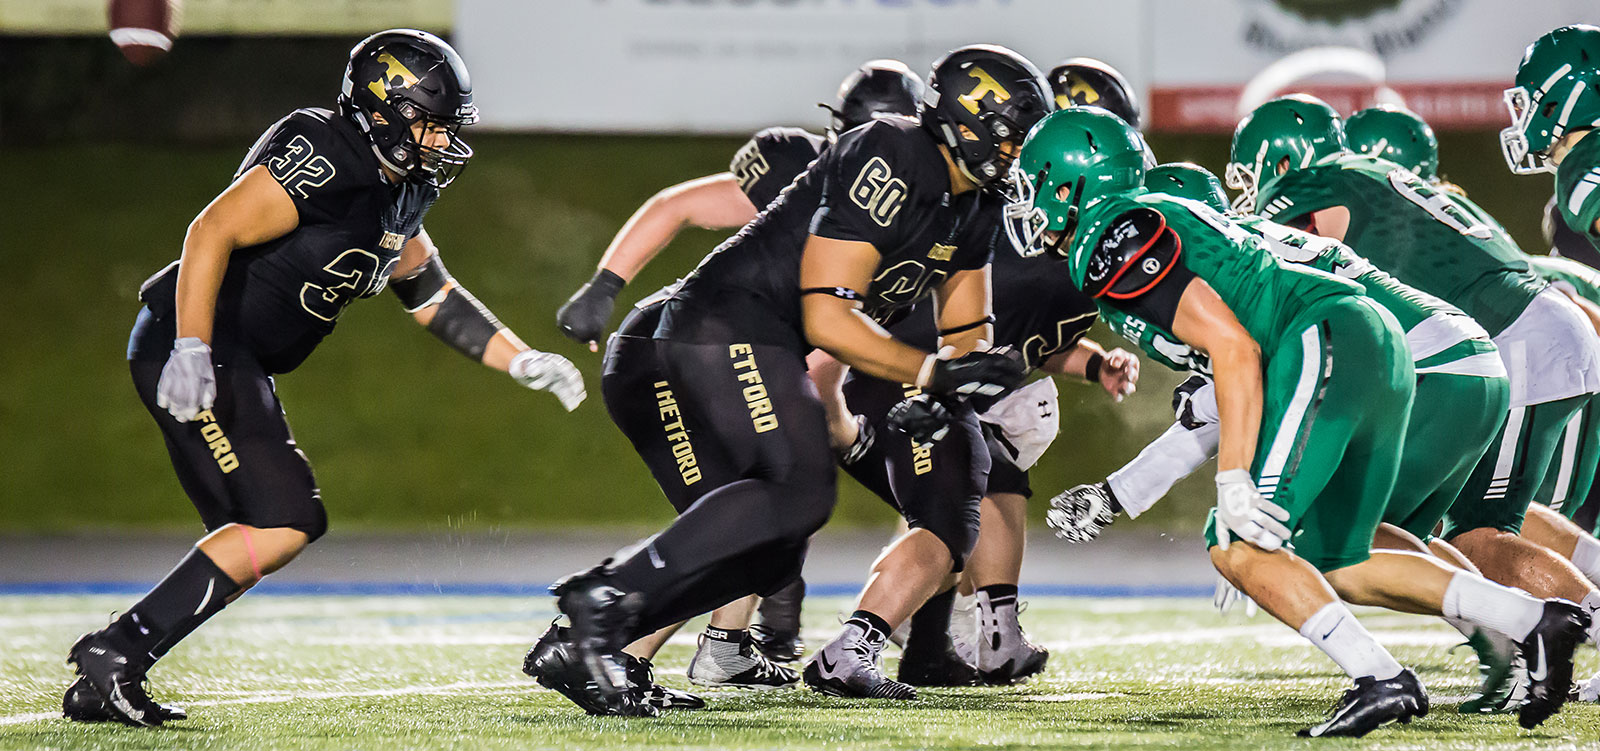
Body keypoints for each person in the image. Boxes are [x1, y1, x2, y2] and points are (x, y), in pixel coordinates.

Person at [1009, 107, 1588, 736]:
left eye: (1033, 184)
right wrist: (1126, 493)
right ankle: (1529, 625)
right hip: (1382, 343)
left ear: (1068, 184)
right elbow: (1233, 372)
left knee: (1240, 541)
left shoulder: (1110, 232)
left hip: (1337, 341)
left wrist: (1233, 484)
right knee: (1337, 551)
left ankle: (1394, 675)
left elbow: (1236, 352)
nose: (1028, 204)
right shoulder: (1177, 221)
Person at [63, 29, 585, 727]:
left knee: (257, 531)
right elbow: (211, 230)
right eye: (430, 125)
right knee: (284, 518)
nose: (441, 143)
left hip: (232, 355)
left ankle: (110, 670)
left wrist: (520, 357)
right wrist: (190, 344)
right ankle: (114, 651)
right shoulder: (329, 154)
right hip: (197, 346)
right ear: (382, 112)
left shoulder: (400, 190)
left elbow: (429, 292)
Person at [536, 44, 1049, 716]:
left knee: (770, 553)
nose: (1019, 152)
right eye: (1012, 135)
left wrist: (945, 388)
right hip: (730, 317)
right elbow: (830, 318)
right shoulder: (893, 153)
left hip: (766, 334)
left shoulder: (974, 204)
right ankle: (603, 599)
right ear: (965, 121)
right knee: (799, 490)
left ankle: (583, 642)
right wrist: (929, 371)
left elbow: (965, 331)